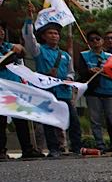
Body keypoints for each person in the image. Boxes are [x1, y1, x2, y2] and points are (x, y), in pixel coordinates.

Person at [22, 19, 83, 157]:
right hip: (47, 92)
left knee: (73, 120)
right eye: (50, 33)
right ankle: (54, 149)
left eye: (56, 33)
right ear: (43, 36)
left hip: (63, 92)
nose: (54, 36)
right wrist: (29, 20)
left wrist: (69, 79)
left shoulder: (65, 55)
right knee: (49, 122)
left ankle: (77, 146)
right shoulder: (39, 51)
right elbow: (29, 38)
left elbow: (71, 72)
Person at [79, 30, 112, 153]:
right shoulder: (84, 56)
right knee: (95, 120)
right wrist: (90, 71)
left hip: (110, 91)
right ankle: (100, 145)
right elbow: (81, 72)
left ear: (102, 41)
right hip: (93, 92)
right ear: (89, 43)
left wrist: (106, 72)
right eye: (92, 40)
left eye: (97, 39)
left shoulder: (110, 57)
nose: (95, 42)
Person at [0, 21, 42, 159]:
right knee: (1, 122)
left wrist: (20, 48)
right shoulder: (9, 50)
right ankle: (1, 151)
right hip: (1, 90)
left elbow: (22, 53)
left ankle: (27, 149)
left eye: (1, 30)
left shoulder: (7, 46)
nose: (0, 32)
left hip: (15, 89)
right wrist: (12, 53)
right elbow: (5, 61)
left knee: (21, 120)